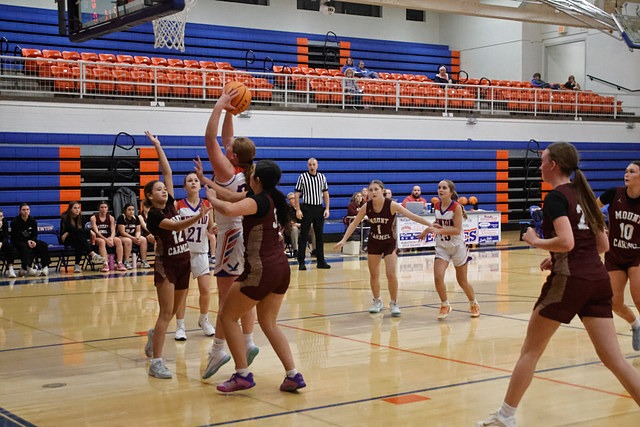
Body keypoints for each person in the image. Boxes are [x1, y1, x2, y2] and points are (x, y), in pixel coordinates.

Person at [476, 142, 640, 427]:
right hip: (597, 279)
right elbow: (602, 244)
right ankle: (504, 416)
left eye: (542, 161)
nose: (540, 166)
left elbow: (566, 241)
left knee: (530, 351)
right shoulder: (583, 194)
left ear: (553, 165)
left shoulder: (555, 197)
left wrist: (535, 241)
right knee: (616, 360)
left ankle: (505, 416)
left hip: (569, 281)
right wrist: (559, 257)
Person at [207, 160, 305, 392]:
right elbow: (231, 197)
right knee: (269, 323)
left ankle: (242, 374)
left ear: (257, 180)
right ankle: (293, 375)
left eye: (251, 175)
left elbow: (228, 209)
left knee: (228, 317)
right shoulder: (272, 198)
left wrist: (210, 199)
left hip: (262, 269)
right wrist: (207, 181)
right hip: (281, 268)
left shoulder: (259, 201)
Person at [200, 87, 259, 380]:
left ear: (233, 155)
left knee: (226, 301)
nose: (228, 145)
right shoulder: (246, 169)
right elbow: (225, 140)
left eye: (231, 147)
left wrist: (219, 104)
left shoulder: (225, 172)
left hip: (230, 236)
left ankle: (219, 350)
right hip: (245, 235)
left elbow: (210, 139)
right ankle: (247, 342)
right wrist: (229, 111)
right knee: (243, 294)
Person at [143, 131, 211, 379]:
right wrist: (198, 216)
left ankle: (154, 335)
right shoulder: (154, 216)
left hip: (185, 263)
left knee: (173, 312)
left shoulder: (171, 203)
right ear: (150, 196)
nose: (164, 190)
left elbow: (167, 172)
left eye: (164, 189)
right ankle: (156, 363)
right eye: (159, 189)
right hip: (167, 266)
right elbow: (176, 226)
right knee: (165, 313)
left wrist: (158, 146)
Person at [335, 180, 432, 315]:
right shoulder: (367, 206)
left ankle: (394, 303)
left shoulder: (391, 205)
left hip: (389, 243)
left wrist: (430, 225)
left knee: (390, 274)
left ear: (382, 191)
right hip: (374, 242)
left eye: (376, 189)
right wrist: (344, 239)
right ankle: (377, 301)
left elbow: (412, 216)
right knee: (374, 274)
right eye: (371, 190)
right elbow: (354, 223)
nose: (373, 192)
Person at [419, 180, 479, 320]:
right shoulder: (437, 205)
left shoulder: (456, 207)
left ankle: (473, 303)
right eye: (439, 187)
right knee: (438, 277)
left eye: (444, 188)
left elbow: (457, 230)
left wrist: (439, 230)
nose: (440, 190)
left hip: (458, 247)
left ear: (451, 192)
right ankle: (445, 304)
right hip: (442, 247)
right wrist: (427, 230)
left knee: (462, 281)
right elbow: (437, 223)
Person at [596, 160, 640, 351]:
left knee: (638, 298)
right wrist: (601, 228)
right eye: (626, 171)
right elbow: (592, 208)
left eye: (632, 171)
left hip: (637, 255)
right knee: (614, 302)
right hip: (615, 254)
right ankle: (636, 324)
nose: (626, 174)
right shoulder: (614, 193)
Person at [174, 172, 216, 340]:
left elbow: (210, 227)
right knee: (182, 292)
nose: (193, 182)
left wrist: (214, 229)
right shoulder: (178, 205)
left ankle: (203, 320)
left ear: (200, 185)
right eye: (189, 180)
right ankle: (180, 325)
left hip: (201, 252)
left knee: (205, 290)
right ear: (185, 186)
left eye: (196, 180)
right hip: (183, 252)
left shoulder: (207, 204)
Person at [295, 158, 331, 270]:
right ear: (307, 166)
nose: (312, 166)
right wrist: (298, 209)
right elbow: (297, 194)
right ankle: (301, 261)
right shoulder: (302, 177)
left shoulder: (322, 177)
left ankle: (321, 261)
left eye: (314, 164)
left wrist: (327, 209)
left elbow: (326, 193)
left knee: (319, 236)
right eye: (310, 164)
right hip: (307, 208)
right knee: (304, 235)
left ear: (317, 166)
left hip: (319, 208)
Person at [60, 201, 105, 273]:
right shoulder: (65, 217)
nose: (77, 210)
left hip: (77, 238)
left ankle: (77, 265)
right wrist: (89, 231)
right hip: (66, 238)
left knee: (80, 242)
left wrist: (71, 231)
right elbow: (72, 229)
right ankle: (92, 255)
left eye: (78, 208)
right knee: (80, 237)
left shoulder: (82, 218)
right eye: (75, 208)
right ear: (70, 209)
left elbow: (78, 231)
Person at [11, 203, 51, 277]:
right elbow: (16, 236)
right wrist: (27, 241)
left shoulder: (32, 221)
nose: (26, 211)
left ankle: (45, 266)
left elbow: (34, 234)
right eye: (23, 210)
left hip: (30, 241)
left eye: (27, 209)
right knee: (24, 246)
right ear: (20, 211)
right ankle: (28, 267)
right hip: (17, 241)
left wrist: (33, 241)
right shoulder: (15, 222)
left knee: (43, 245)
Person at [91, 201, 126, 272]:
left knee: (118, 240)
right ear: (99, 208)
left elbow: (113, 230)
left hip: (108, 237)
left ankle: (120, 263)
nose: (103, 209)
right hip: (97, 238)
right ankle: (105, 264)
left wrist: (111, 238)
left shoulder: (111, 218)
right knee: (102, 241)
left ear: (107, 208)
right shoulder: (93, 218)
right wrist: (106, 240)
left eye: (105, 207)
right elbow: (96, 232)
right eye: (102, 207)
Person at [116, 203, 151, 269]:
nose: (131, 211)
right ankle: (126, 262)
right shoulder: (121, 218)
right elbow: (122, 232)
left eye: (132, 210)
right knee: (128, 241)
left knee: (143, 239)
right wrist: (133, 238)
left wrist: (137, 236)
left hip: (133, 236)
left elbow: (138, 230)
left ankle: (144, 261)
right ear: (125, 211)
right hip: (122, 236)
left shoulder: (136, 218)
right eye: (129, 210)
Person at [0, 209, 16, 278]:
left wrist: (1, 243)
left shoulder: (5, 222)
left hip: (2, 243)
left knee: (9, 247)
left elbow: (6, 237)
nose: (0, 218)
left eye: (1, 216)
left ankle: (10, 268)